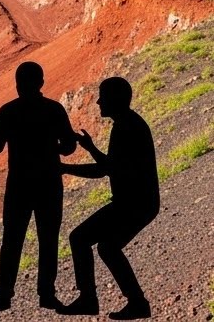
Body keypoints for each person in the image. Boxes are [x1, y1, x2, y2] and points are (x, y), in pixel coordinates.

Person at [58, 77, 159, 319]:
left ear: (116, 99)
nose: (99, 101)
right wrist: (91, 148)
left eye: (103, 96)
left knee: (80, 238)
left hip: (133, 205)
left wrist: (63, 168)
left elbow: (104, 171)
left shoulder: (126, 128)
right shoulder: (128, 124)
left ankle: (89, 300)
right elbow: (113, 166)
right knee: (107, 247)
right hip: (140, 203)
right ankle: (136, 303)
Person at [0, 62, 76, 312]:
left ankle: (4, 295)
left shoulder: (8, 111)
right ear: (41, 83)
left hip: (19, 185)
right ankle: (46, 294)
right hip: (49, 183)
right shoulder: (54, 109)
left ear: (17, 84)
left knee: (12, 240)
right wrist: (49, 149)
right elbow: (69, 146)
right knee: (48, 240)